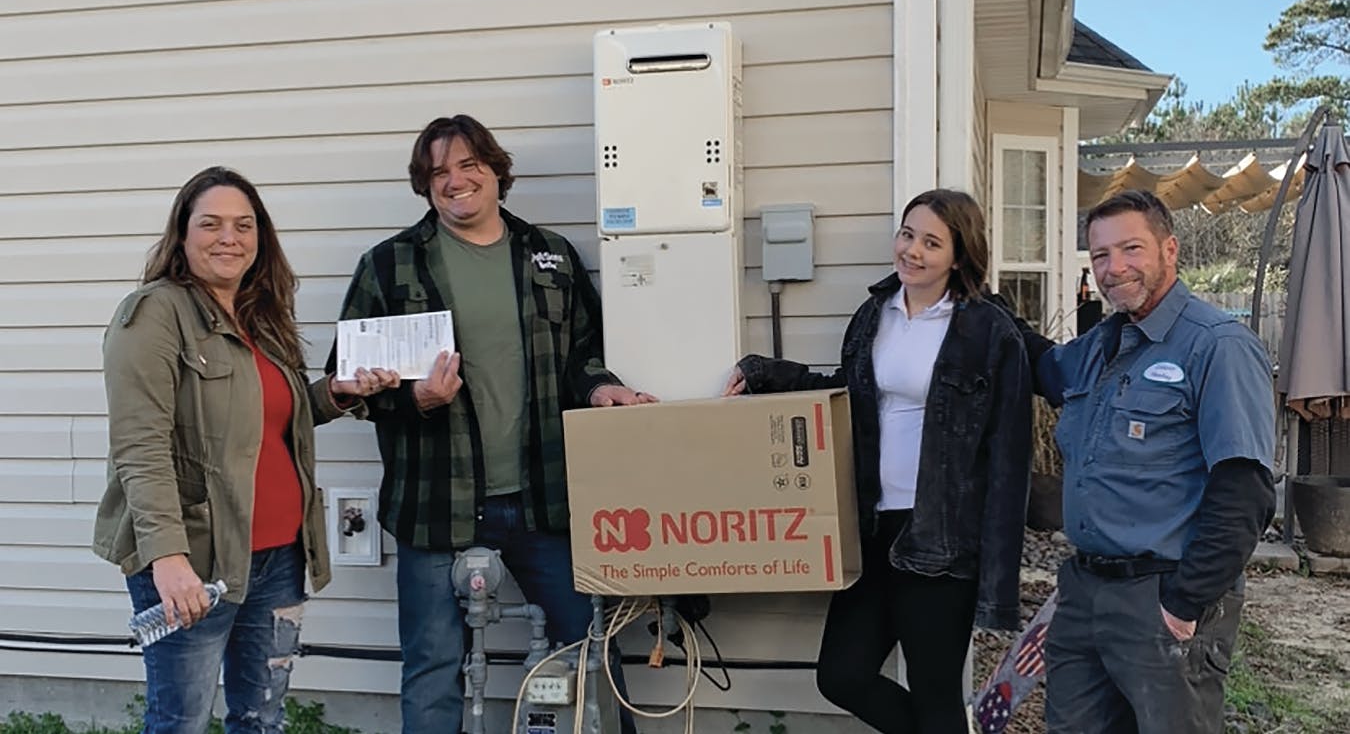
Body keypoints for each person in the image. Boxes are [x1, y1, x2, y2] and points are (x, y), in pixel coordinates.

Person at [329, 114, 653, 734]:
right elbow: (345, 383)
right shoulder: (390, 266)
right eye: (438, 172)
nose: (455, 181)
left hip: (544, 500)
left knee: (591, 650)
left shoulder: (550, 255)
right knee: (432, 669)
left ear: (496, 172)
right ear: (425, 186)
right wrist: (415, 399)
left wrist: (602, 387)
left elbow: (584, 352)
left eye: (468, 165)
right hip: (435, 504)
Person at [92, 166, 398, 733]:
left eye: (243, 225)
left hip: (280, 557)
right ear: (182, 235)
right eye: (211, 224)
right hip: (197, 559)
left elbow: (270, 419)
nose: (228, 237)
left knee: (261, 719)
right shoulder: (155, 314)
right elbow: (140, 446)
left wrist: (335, 393)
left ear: (260, 239)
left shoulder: (261, 316)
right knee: (180, 720)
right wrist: (167, 559)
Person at [723, 188, 1032, 734]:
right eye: (907, 234)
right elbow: (849, 395)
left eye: (932, 242)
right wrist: (771, 374)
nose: (912, 251)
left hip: (941, 538)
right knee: (841, 674)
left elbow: (1009, 459)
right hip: (872, 526)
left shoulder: (986, 330)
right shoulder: (876, 314)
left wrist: (997, 580)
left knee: (935, 693)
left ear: (959, 256)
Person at [1011, 190, 1276, 734]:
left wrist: (1184, 603)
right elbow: (1043, 369)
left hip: (1162, 596)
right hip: (1085, 592)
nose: (1114, 268)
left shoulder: (1216, 346)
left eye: (1131, 248)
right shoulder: (1100, 345)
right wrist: (983, 305)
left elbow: (1245, 488)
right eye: (1100, 255)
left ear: (1170, 249)